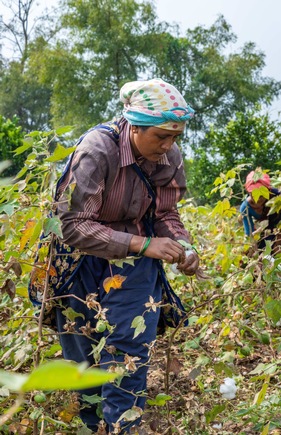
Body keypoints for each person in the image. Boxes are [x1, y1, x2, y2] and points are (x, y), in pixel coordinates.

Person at [53, 78, 201, 434]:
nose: (167, 147)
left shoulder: (169, 158)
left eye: (175, 138)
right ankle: (93, 426)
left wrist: (185, 244)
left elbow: (166, 213)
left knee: (127, 353)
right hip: (80, 261)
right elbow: (72, 225)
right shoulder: (96, 150)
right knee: (83, 361)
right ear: (134, 127)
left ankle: (123, 428)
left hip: (135, 266)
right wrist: (144, 244)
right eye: (160, 137)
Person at [240, 169, 281, 256]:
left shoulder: (278, 196)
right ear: (248, 192)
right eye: (254, 193)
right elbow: (249, 234)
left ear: (268, 190)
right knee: (264, 252)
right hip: (267, 231)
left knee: (280, 249)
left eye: (262, 194)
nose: (258, 198)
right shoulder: (245, 208)